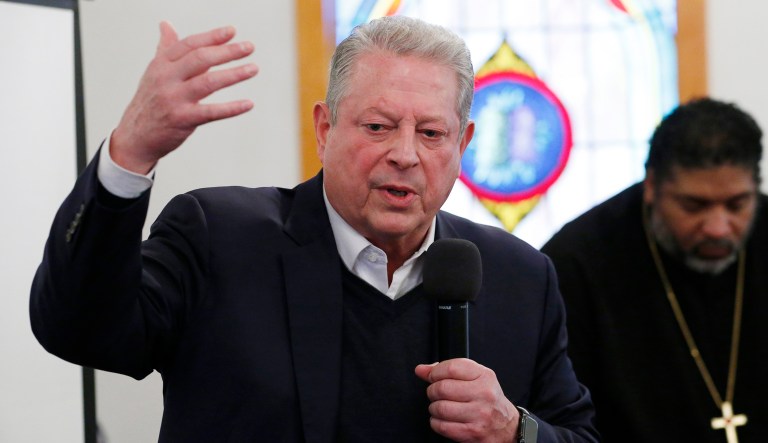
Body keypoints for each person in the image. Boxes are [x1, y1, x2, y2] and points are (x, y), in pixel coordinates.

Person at [31, 16, 598, 442]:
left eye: (431, 133)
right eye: (377, 126)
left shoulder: (521, 277)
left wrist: (516, 429)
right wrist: (130, 154)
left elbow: (578, 434)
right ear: (325, 129)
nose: (404, 154)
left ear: (463, 145)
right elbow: (76, 329)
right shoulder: (218, 239)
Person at [541, 97, 768, 443]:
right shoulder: (578, 262)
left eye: (737, 204)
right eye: (695, 205)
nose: (719, 228)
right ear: (652, 187)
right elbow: (564, 419)